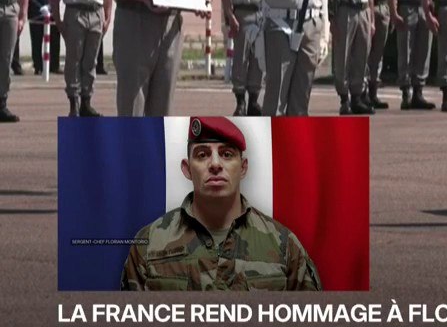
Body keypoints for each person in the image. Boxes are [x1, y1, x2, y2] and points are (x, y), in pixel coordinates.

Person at [121, 116, 322, 291]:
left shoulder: (284, 246)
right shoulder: (149, 243)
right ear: (187, 169)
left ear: (243, 168)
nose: (215, 164)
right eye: (202, 155)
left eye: (227, 154)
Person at [220, 0, 264, 116]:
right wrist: (230, 16)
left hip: (262, 14)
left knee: (258, 58)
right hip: (243, 14)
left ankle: (254, 99)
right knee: (241, 58)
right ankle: (240, 101)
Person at [26, 0, 61, 75]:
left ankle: (54, 66)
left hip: (51, 15)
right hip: (36, 15)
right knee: (36, 41)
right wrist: (40, 8)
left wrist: (50, 7)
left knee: (54, 41)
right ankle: (38, 66)